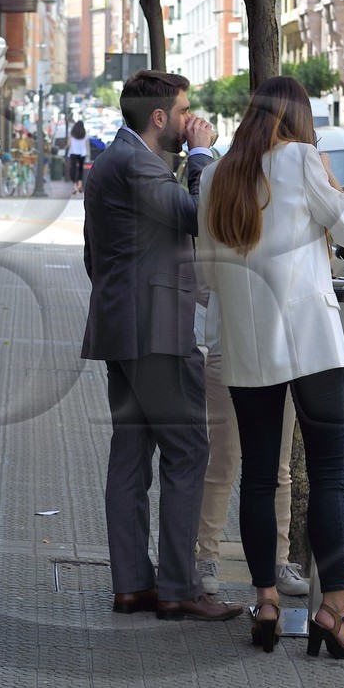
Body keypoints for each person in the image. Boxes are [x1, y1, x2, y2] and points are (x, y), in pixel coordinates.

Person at [197, 76, 344, 658]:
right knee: (326, 476)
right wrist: (325, 174)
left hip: (249, 349)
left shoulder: (217, 175)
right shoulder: (302, 161)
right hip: (313, 344)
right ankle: (334, 610)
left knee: (258, 474)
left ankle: (266, 600)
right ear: (299, 120)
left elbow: (204, 276)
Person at [82, 70, 243, 623]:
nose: (188, 120)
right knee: (188, 452)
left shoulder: (112, 161)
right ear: (159, 118)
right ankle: (177, 587)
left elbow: (91, 255)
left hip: (123, 328)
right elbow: (193, 216)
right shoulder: (139, 163)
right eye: (182, 111)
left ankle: (132, 584)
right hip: (156, 332)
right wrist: (202, 156)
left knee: (131, 455)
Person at [193, 278, 308, 600]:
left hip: (280, 356)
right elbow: (201, 279)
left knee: (279, 467)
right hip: (227, 350)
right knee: (224, 459)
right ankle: (207, 558)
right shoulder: (222, 227)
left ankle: (279, 562)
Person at [68, 120, 89, 195]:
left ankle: (75, 186)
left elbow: (68, 144)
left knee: (73, 169)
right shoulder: (85, 134)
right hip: (82, 154)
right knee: (80, 169)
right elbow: (87, 145)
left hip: (73, 153)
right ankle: (80, 185)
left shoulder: (72, 134)